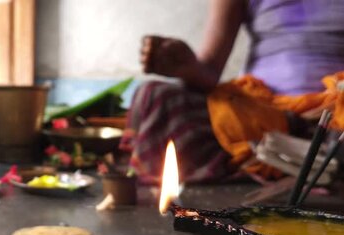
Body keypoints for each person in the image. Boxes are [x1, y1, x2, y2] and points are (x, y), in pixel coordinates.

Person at [127, 0, 344, 183]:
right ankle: (303, 165)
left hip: (334, 115)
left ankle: (265, 164)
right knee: (156, 96)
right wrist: (187, 66)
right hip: (253, 116)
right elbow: (209, 72)